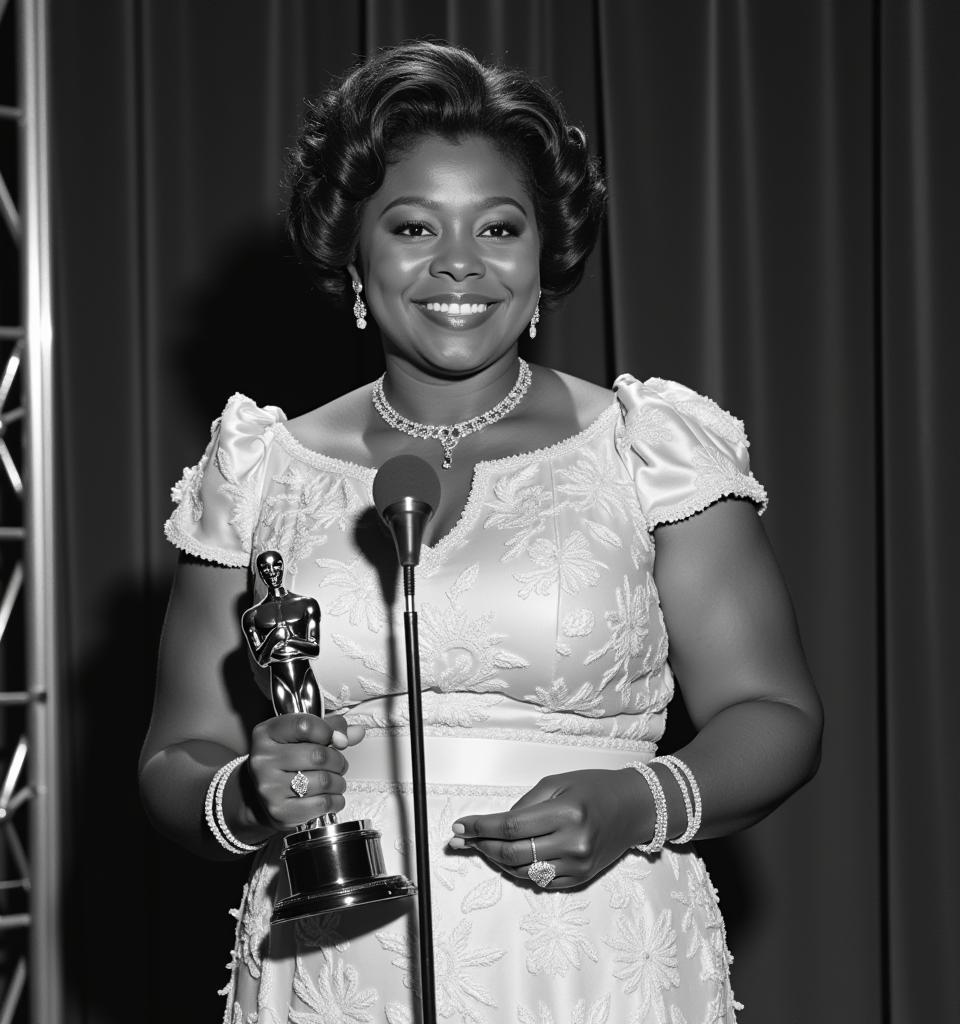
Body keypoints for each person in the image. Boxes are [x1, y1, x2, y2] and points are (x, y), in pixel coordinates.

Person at [139, 41, 822, 1024]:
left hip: (590, 954)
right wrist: (244, 794)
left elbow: (774, 711)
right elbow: (175, 754)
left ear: (544, 256)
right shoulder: (259, 468)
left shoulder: (648, 447)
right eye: (412, 226)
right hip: (333, 964)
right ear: (354, 257)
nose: (457, 262)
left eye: (498, 226)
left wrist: (643, 800)